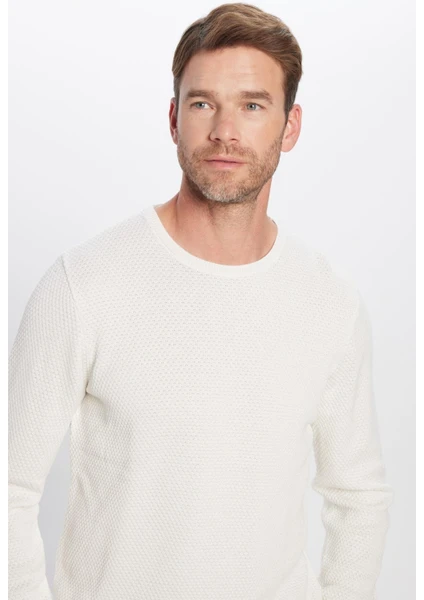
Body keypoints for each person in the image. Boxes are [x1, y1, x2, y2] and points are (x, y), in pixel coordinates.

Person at [8, 3, 394, 599]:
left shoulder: (329, 304)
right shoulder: (82, 285)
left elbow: (358, 496)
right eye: (202, 104)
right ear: (173, 118)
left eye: (253, 106)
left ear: (290, 127)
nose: (225, 132)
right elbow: (9, 487)